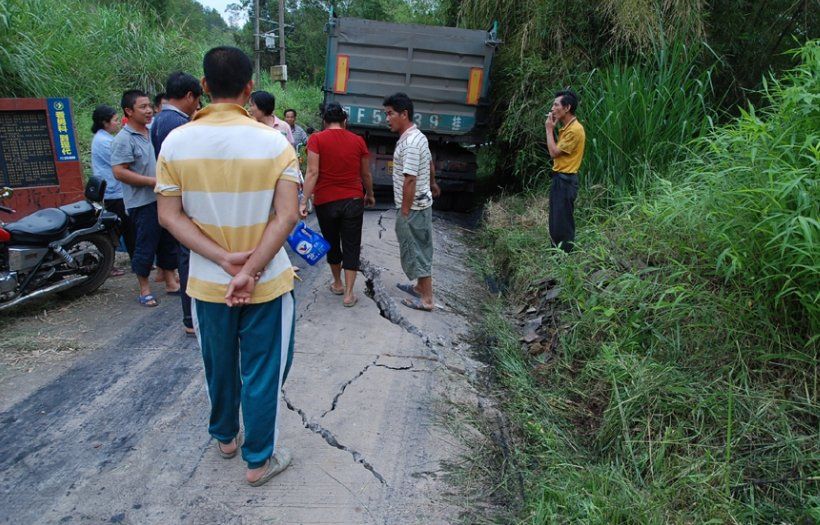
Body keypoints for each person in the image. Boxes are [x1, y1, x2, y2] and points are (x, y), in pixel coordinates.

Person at [156, 46, 300, 487]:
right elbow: (288, 216)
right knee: (263, 368)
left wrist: (222, 261)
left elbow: (169, 215)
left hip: (208, 283)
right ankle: (259, 462)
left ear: (202, 87)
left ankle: (225, 439)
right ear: (249, 89)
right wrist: (251, 270)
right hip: (267, 283)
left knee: (218, 363)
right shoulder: (276, 142)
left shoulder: (175, 143)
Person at [299, 102, 375, 307]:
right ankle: (350, 294)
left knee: (332, 242)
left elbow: (312, 172)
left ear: (324, 121)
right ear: (345, 121)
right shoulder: (358, 141)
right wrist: (369, 194)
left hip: (326, 201)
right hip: (353, 199)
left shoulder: (316, 139)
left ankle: (338, 283)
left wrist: (303, 200)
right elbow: (365, 173)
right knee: (351, 244)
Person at [111, 89, 179, 306]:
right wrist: (152, 181)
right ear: (128, 111)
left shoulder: (153, 130)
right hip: (142, 202)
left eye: (150, 106)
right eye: (143, 107)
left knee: (168, 241)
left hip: (162, 197)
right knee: (146, 244)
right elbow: (119, 171)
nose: (149, 110)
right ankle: (144, 288)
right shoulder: (124, 139)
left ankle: (169, 280)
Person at [151, 71, 202, 337]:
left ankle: (190, 316)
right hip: (182, 201)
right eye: (197, 101)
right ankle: (191, 317)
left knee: (185, 255)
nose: (198, 108)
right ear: (190, 95)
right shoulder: (177, 125)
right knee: (189, 257)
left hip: (173, 198)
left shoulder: (160, 120)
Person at [383, 92, 435, 312]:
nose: (387, 118)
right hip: (418, 204)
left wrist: (404, 212)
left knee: (417, 250)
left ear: (404, 114)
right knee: (417, 248)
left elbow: (410, 179)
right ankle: (419, 288)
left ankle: (427, 300)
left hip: (413, 208)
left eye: (390, 113)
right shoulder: (415, 136)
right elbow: (430, 163)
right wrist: (433, 183)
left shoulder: (411, 142)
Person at [90, 104, 133, 276]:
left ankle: (132, 258)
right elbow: (123, 162)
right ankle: (107, 264)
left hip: (115, 190)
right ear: (105, 122)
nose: (117, 123)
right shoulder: (104, 141)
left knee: (124, 227)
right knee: (119, 228)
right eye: (115, 120)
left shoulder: (104, 138)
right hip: (114, 192)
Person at [544, 89, 585, 252]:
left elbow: (553, 153)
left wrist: (548, 130)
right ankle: (556, 255)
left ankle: (564, 257)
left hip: (566, 180)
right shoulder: (567, 128)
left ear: (567, 108)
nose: (553, 109)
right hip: (560, 179)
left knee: (563, 222)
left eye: (556, 105)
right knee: (555, 221)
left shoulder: (575, 130)